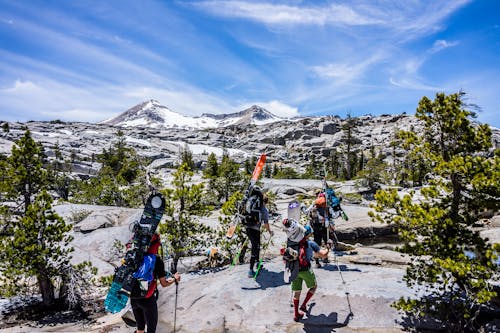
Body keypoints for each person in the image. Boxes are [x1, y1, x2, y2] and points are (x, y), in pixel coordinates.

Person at [130, 234, 181, 333]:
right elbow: (164, 283)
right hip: (148, 300)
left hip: (134, 298)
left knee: (140, 328)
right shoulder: (156, 260)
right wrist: (175, 279)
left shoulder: (134, 256)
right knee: (151, 329)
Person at [291, 225, 329, 322]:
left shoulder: (293, 242)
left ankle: (296, 315)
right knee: (314, 286)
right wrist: (328, 248)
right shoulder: (311, 243)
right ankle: (303, 305)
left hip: (294, 270)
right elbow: (323, 255)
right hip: (305, 270)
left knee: (297, 292)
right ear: (309, 234)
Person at [246, 189, 273, 277]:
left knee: (257, 245)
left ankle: (257, 264)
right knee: (255, 247)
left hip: (248, 227)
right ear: (266, 202)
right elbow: (266, 223)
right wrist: (270, 231)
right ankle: (250, 270)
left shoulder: (251, 204)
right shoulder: (263, 209)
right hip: (255, 229)